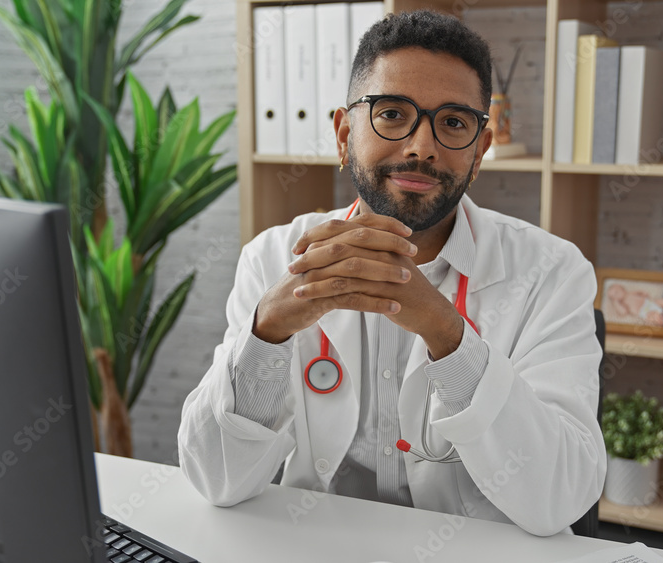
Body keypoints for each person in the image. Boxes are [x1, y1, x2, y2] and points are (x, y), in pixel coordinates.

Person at [178, 10, 605, 536]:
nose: (422, 146)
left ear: (478, 153)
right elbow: (216, 481)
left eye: (453, 123)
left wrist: (448, 335)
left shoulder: (551, 272)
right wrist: (266, 332)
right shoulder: (273, 258)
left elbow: (560, 497)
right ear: (343, 133)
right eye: (393, 114)